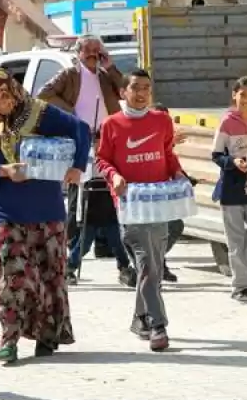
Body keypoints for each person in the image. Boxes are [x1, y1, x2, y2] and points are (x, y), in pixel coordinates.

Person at [0, 69, 90, 364]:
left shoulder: (39, 113)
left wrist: (77, 166)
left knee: (50, 275)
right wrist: (3, 172)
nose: (1, 101)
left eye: (6, 94)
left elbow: (81, 130)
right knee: (12, 277)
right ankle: (9, 338)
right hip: (5, 212)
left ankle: (48, 336)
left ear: (15, 91)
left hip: (47, 209)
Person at [96, 69, 186, 352]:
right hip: (130, 206)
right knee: (146, 262)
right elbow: (102, 160)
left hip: (158, 205)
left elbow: (168, 153)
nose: (141, 93)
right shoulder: (111, 125)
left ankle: (140, 319)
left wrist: (178, 173)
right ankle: (159, 326)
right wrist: (115, 177)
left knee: (154, 268)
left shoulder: (161, 121)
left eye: (146, 88)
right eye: (135, 88)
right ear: (124, 92)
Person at [38, 34, 136, 287]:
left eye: (97, 50)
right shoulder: (70, 74)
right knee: (81, 203)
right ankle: (73, 255)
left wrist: (110, 66)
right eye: (89, 50)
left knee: (106, 200)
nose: (94, 54)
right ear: (80, 53)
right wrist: (71, 113)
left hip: (106, 139)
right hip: (82, 141)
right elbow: (44, 94)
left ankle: (106, 259)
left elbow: (126, 89)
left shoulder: (105, 75)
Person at [210, 74, 247, 305]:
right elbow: (216, 155)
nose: (246, 99)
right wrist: (233, 162)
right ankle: (240, 287)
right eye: (242, 95)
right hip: (231, 189)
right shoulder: (226, 122)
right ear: (234, 95)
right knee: (236, 240)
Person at [150, 103, 193, 283]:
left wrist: (185, 178)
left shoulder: (167, 141)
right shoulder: (147, 139)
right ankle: (150, 263)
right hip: (148, 195)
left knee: (172, 227)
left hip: (164, 193)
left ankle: (158, 262)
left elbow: (171, 162)